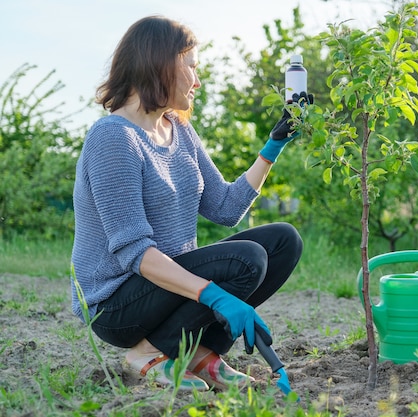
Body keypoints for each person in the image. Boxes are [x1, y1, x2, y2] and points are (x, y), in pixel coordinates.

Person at [70, 15, 312, 391]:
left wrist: (273, 145)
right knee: (245, 259)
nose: (197, 81)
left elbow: (226, 208)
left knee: (283, 241)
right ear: (162, 65)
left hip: (165, 286)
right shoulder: (113, 139)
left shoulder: (178, 128)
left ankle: (200, 354)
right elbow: (135, 253)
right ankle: (146, 353)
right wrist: (214, 294)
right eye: (192, 68)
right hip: (117, 301)